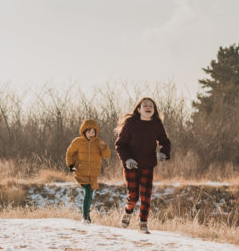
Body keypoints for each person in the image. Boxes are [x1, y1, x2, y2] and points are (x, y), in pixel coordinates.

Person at [114, 97, 171, 233]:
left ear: (154, 110)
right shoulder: (131, 124)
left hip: (148, 164)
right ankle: (128, 211)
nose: (148, 106)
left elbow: (165, 142)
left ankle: (143, 223)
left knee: (146, 195)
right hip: (131, 164)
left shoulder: (157, 124)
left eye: (151, 105)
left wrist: (163, 152)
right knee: (133, 195)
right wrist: (127, 160)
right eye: (145, 105)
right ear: (139, 109)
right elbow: (120, 145)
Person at [65, 118, 111, 224]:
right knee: (87, 191)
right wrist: (71, 165)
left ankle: (87, 215)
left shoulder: (98, 142)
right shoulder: (78, 142)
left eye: (93, 131)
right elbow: (69, 153)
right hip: (80, 171)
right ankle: (85, 217)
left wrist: (104, 148)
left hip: (93, 174)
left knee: (90, 194)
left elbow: (107, 155)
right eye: (89, 131)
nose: (92, 134)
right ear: (84, 131)